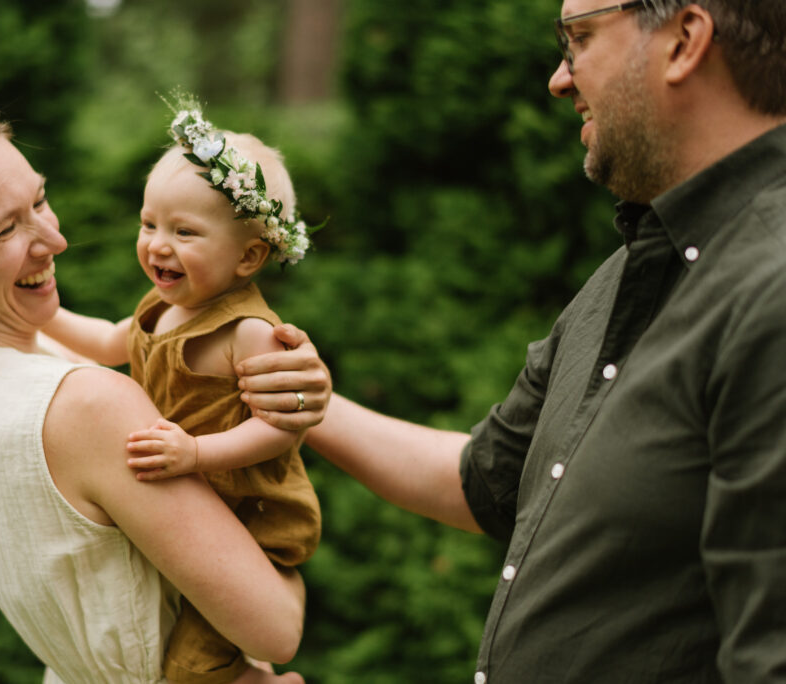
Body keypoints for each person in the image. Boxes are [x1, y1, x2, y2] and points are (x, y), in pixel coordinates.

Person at [238, 1, 786, 681]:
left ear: (684, 41)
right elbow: (488, 480)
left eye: (578, 39)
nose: (559, 79)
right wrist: (298, 399)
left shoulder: (772, 290)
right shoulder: (629, 272)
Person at [0, 92, 331, 684]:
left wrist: (294, 391)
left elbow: (177, 369)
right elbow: (275, 630)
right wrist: (282, 581)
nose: (54, 240)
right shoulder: (87, 404)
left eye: (39, 199)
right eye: (5, 228)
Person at [40, 97, 321, 684]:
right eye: (149, 224)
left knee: (192, 666)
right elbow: (109, 342)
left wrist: (196, 454)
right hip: (194, 501)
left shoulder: (248, 332)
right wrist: (42, 317)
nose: (157, 245)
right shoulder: (164, 305)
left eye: (184, 232)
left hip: (252, 516)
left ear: (249, 255)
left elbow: (279, 430)